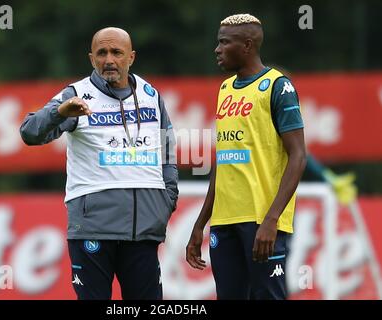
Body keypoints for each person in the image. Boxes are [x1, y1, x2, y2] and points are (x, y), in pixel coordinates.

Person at [20, 27, 178, 300]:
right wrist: (59, 113)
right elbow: (29, 132)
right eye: (102, 53)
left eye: (116, 52)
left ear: (131, 57)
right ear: (91, 58)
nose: (109, 60)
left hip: (143, 232)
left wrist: (168, 199)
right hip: (93, 228)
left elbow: (166, 150)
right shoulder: (76, 95)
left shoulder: (152, 95)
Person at [186, 14, 307, 300]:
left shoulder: (278, 86)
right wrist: (200, 223)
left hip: (261, 220)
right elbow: (224, 160)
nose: (217, 49)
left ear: (247, 45)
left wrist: (271, 220)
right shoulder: (225, 89)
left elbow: (298, 156)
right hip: (224, 220)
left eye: (224, 42)